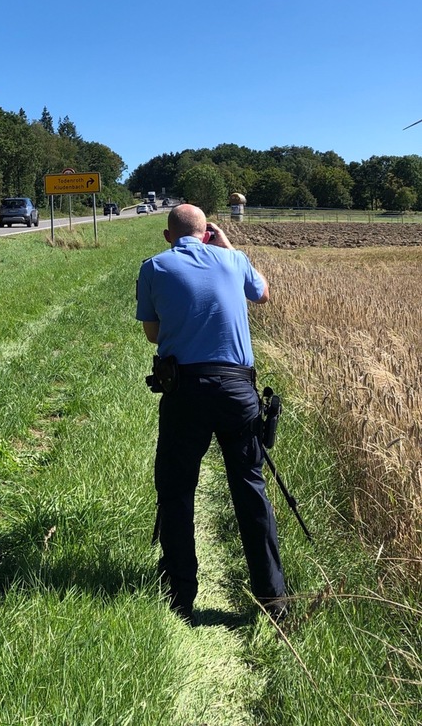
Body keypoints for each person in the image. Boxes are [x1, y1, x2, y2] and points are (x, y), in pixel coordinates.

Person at [136, 203, 286, 624]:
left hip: (184, 391)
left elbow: (154, 333)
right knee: (250, 489)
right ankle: (273, 601)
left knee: (177, 489)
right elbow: (263, 293)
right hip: (238, 390)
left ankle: (179, 596)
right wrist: (227, 245)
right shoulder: (234, 259)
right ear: (207, 233)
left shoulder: (154, 266)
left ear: (168, 236)